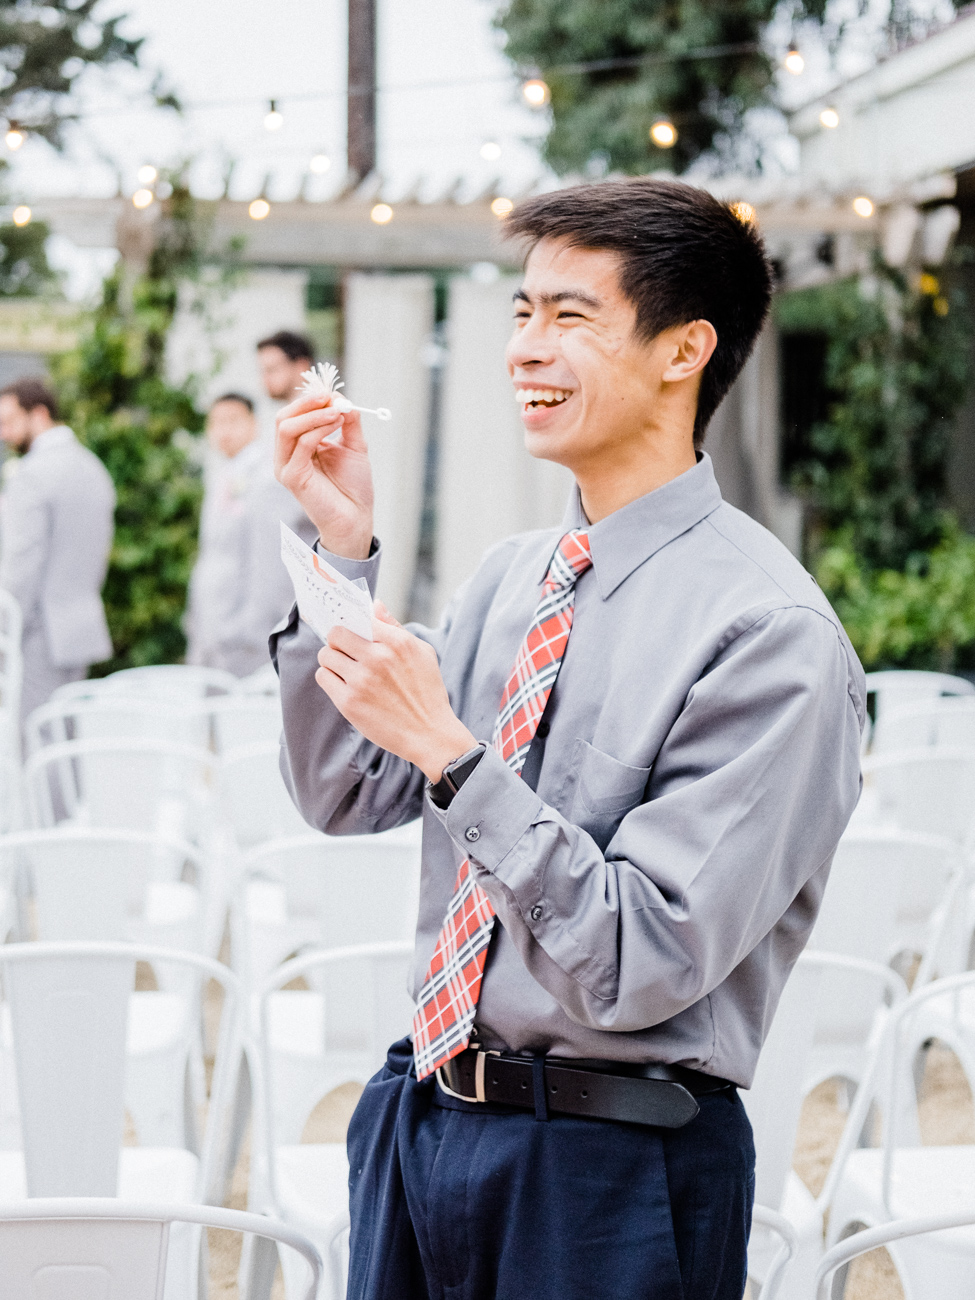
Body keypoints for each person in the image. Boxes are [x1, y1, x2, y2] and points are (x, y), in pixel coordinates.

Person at [271, 179, 865, 1300]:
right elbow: (342, 789)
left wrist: (454, 757)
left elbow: (644, 957)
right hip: (422, 1118)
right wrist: (340, 555)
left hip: (609, 1172)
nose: (524, 350)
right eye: (522, 313)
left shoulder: (771, 635)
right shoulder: (511, 577)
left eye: (570, 317)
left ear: (686, 349)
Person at [0, 378, 115, 726]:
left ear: (38, 414)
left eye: (8, 422)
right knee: (63, 747)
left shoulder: (33, 473)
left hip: (36, 635)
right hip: (78, 630)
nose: (4, 434)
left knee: (34, 745)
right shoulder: (93, 467)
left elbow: (22, 566)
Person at [185, 392, 315, 679]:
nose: (223, 431)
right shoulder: (225, 474)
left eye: (233, 421)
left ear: (254, 424)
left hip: (243, 637)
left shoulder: (268, 479)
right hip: (212, 628)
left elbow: (270, 560)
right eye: (216, 422)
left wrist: (251, 629)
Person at [256, 330, 315, 403]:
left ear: (301, 366)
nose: (265, 379)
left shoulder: (319, 409)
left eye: (272, 370)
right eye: (263, 371)